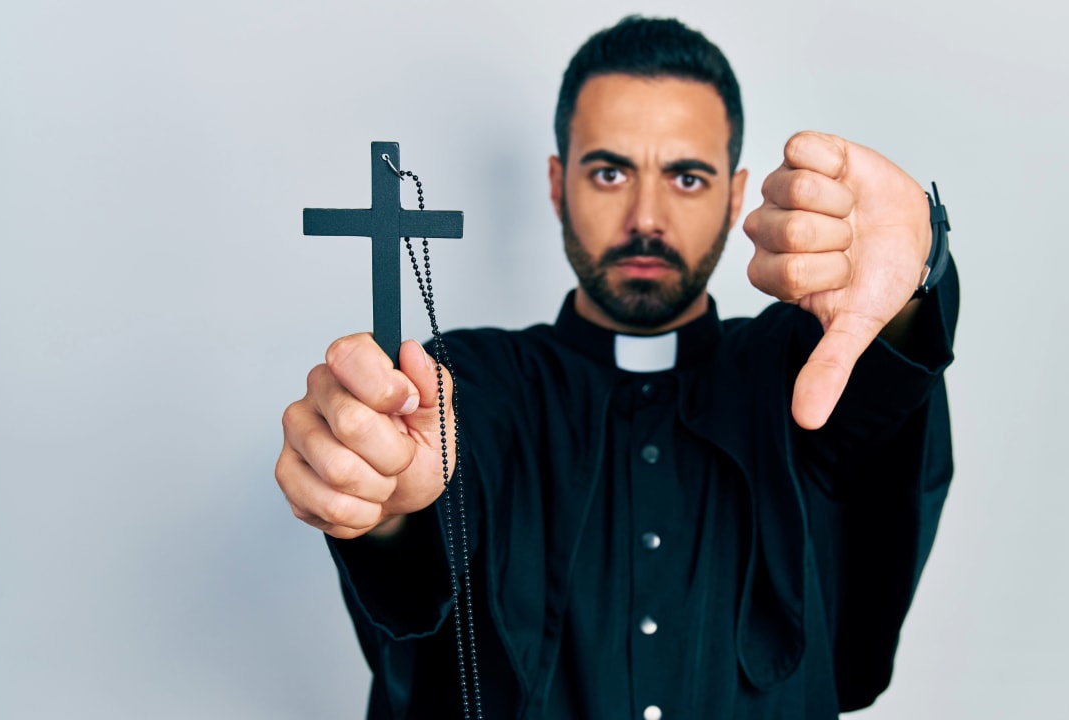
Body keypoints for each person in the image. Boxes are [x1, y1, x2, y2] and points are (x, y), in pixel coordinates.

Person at [276, 15, 959, 720]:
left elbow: (886, 394)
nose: (645, 218)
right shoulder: (464, 383)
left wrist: (916, 277)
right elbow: (428, 495)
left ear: (734, 196)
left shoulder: (796, 368)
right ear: (557, 184)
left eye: (687, 177)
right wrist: (388, 510)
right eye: (610, 173)